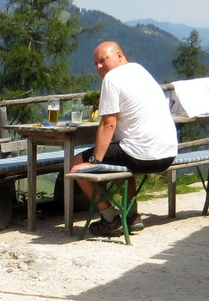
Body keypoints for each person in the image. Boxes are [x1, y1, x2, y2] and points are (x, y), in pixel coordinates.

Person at [70, 41, 178, 236]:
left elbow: (108, 123)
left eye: (103, 60)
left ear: (119, 56)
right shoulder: (140, 70)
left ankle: (109, 218)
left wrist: (95, 162)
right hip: (168, 154)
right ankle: (132, 216)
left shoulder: (112, 78)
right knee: (121, 155)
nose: (99, 67)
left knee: (77, 163)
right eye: (95, 64)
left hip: (142, 156)